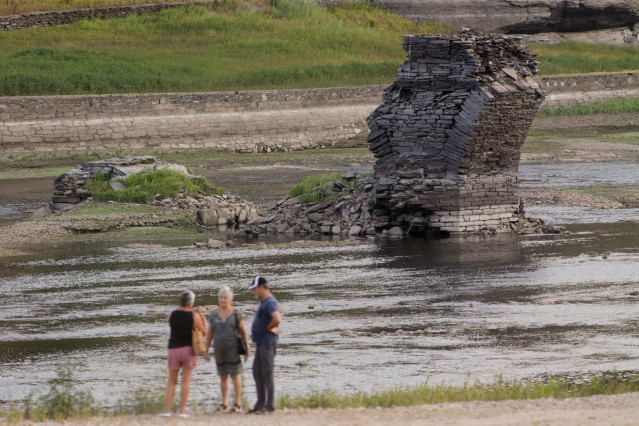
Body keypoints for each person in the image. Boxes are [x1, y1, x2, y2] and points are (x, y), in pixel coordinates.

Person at [159, 290, 207, 418]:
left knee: (171, 380)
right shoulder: (193, 316)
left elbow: (173, 325)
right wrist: (202, 317)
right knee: (185, 380)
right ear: (191, 303)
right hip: (188, 350)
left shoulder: (171, 315)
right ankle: (182, 411)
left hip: (173, 349)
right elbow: (203, 332)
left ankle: (167, 410)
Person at [204, 286, 250, 413]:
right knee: (223, 376)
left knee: (235, 376)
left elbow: (244, 332)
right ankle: (224, 404)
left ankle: (237, 404)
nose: (222, 300)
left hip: (233, 350)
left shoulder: (236, 314)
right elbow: (209, 334)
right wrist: (206, 350)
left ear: (230, 299)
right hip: (219, 350)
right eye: (221, 297)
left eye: (225, 297)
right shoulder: (213, 315)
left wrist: (248, 348)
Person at [247, 276, 281, 414]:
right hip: (261, 343)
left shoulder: (270, 302)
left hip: (267, 343)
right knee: (257, 372)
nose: (253, 292)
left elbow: (277, 318)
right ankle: (260, 404)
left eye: (254, 289)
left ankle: (269, 405)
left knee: (267, 373)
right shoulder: (265, 302)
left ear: (261, 287)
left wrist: (269, 328)